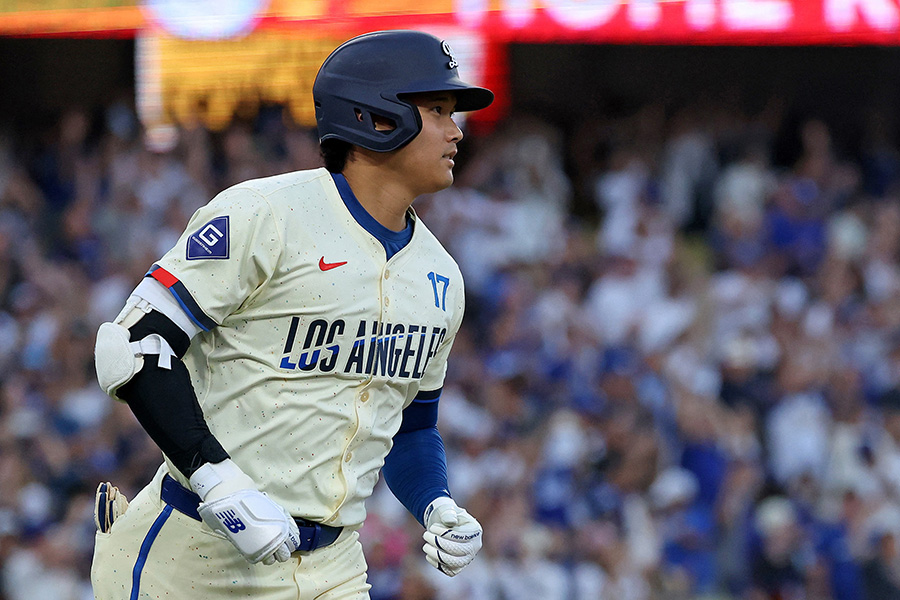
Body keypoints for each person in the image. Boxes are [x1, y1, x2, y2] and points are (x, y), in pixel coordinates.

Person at [90, 29, 493, 599]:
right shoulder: (266, 214)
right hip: (194, 556)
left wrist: (436, 502)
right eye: (438, 110)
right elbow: (133, 347)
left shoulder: (441, 275)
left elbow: (412, 425)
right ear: (377, 117)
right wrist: (218, 480)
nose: (456, 131)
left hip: (333, 567)